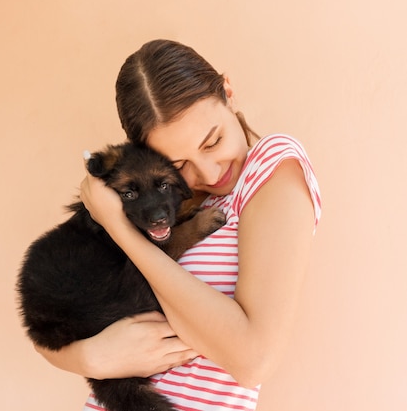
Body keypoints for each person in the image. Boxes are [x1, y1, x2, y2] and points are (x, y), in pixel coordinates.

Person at [35, 39, 322, 410]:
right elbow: (52, 318)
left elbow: (254, 361)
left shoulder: (272, 167)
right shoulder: (160, 197)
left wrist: (119, 230)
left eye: (213, 140)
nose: (208, 173)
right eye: (178, 163)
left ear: (229, 92)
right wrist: (90, 358)